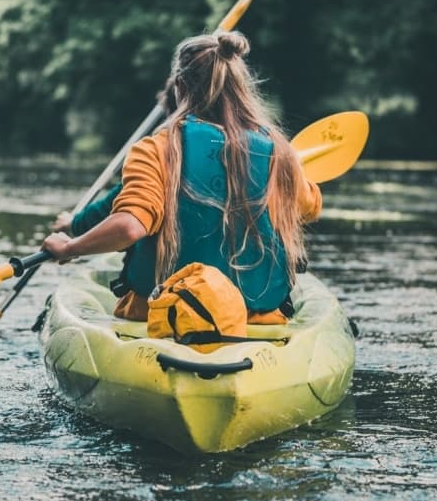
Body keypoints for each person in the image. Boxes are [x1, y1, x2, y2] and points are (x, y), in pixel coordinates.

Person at [41, 31, 321, 323]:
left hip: (163, 316)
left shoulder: (157, 149)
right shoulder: (279, 152)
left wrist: (70, 248)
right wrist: (291, 169)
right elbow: (310, 207)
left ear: (180, 86)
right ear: (240, 85)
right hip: (254, 319)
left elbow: (129, 227)